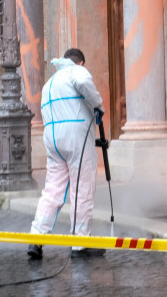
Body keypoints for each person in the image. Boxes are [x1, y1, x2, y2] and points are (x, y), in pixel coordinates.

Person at [27, 48, 105, 261]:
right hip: (75, 137)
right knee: (82, 189)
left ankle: (37, 238)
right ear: (80, 62)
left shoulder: (49, 84)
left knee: (52, 190)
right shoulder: (75, 72)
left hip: (52, 140)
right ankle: (80, 243)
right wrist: (98, 105)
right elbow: (84, 83)